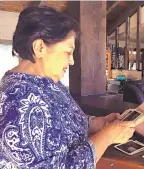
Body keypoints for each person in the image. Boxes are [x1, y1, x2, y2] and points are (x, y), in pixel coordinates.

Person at [0, 6, 135, 169]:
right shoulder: (20, 102)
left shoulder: (48, 83)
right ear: (39, 48)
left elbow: (67, 120)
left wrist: (97, 123)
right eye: (68, 52)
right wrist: (107, 136)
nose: (71, 61)